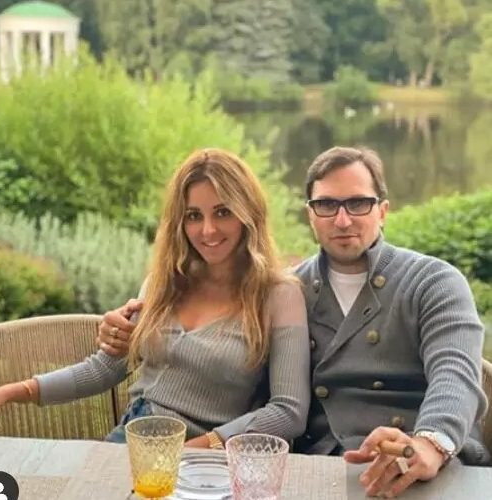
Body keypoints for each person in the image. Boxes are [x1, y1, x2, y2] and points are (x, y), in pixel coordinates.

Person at [97, 146, 490, 497]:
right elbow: (241, 376)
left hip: (416, 464)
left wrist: (430, 442)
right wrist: (130, 333)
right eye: (326, 205)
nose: (342, 220)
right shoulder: (283, 293)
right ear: (310, 215)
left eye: (358, 203)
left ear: (383, 210)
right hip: (314, 469)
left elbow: (455, 373)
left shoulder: (433, 282)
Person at [0, 148, 311, 447]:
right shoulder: (165, 282)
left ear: (248, 215)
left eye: (223, 212)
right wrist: (6, 393)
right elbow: (104, 369)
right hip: (131, 441)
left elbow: (288, 412)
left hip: (211, 461)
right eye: (193, 216)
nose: (207, 230)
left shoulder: (279, 294)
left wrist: (195, 449)